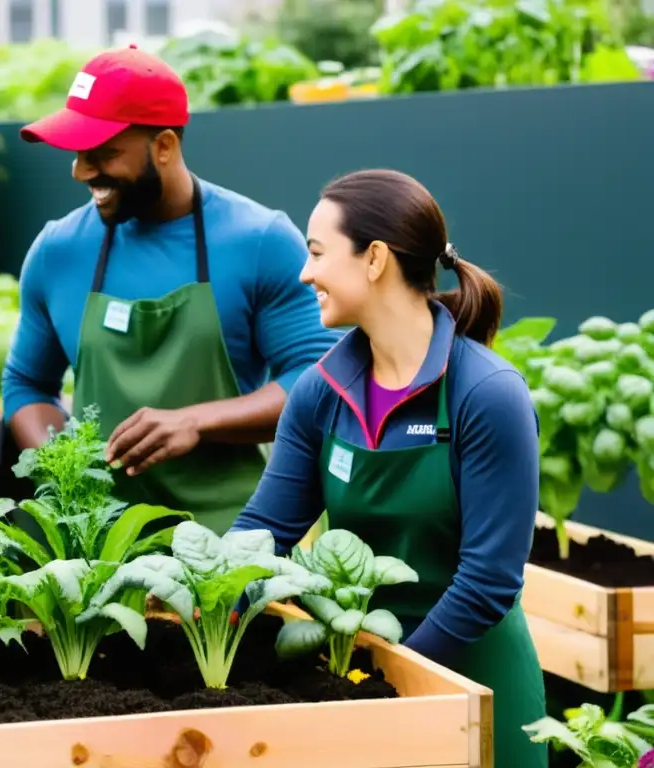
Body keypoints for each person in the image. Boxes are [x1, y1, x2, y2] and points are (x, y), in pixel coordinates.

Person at [230, 169, 547, 766]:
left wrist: (382, 680)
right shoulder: (321, 392)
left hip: (474, 690)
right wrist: (203, 593)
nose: (305, 274)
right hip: (367, 685)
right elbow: (264, 529)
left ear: (374, 258)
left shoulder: (486, 394)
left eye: (317, 253)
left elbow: (488, 584)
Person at [2, 45, 339, 534]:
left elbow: (317, 382)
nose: (81, 170)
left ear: (164, 146)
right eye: (77, 153)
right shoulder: (59, 249)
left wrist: (195, 421)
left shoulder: (259, 241)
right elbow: (26, 384)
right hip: (97, 543)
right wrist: (64, 468)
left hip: (231, 541)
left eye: (103, 152)